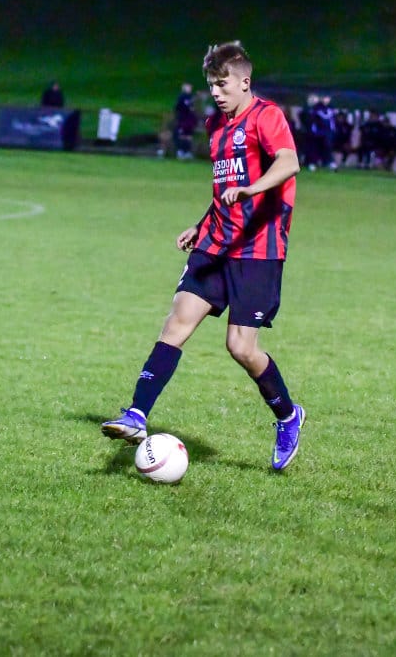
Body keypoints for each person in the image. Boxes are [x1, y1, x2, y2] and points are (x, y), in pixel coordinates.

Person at [101, 41, 306, 471]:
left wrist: (251, 190)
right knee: (177, 320)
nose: (215, 92)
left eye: (222, 84)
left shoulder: (266, 116)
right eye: (211, 84)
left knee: (241, 347)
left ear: (244, 81)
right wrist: (201, 223)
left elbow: (289, 163)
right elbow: (223, 188)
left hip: (258, 250)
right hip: (215, 243)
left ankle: (288, 416)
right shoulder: (216, 125)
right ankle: (137, 414)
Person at [173, 82, 198, 159]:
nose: (190, 89)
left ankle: (187, 152)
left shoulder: (191, 97)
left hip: (189, 120)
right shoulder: (182, 97)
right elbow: (178, 107)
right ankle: (181, 151)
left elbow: (193, 107)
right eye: (188, 87)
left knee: (188, 136)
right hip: (183, 120)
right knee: (182, 135)